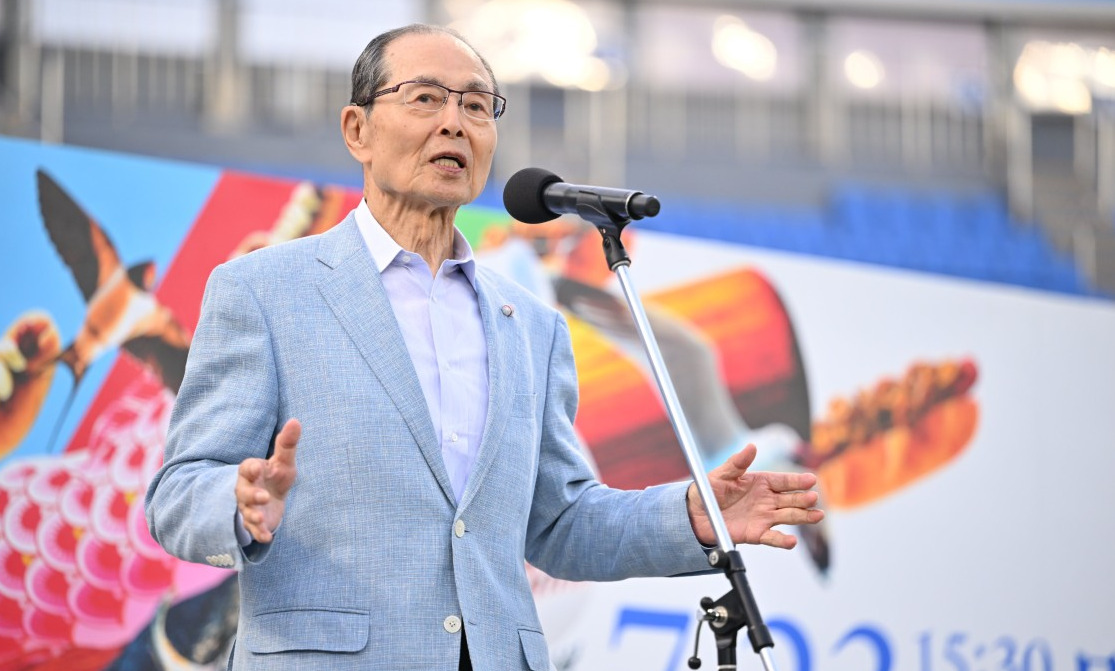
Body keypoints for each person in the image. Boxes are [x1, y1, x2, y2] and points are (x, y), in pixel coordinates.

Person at [144, 23, 824, 671]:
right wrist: (237, 502)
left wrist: (688, 515)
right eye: (425, 99)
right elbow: (179, 492)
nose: (455, 122)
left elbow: (559, 520)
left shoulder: (528, 323)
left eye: (477, 105)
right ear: (358, 130)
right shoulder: (264, 291)